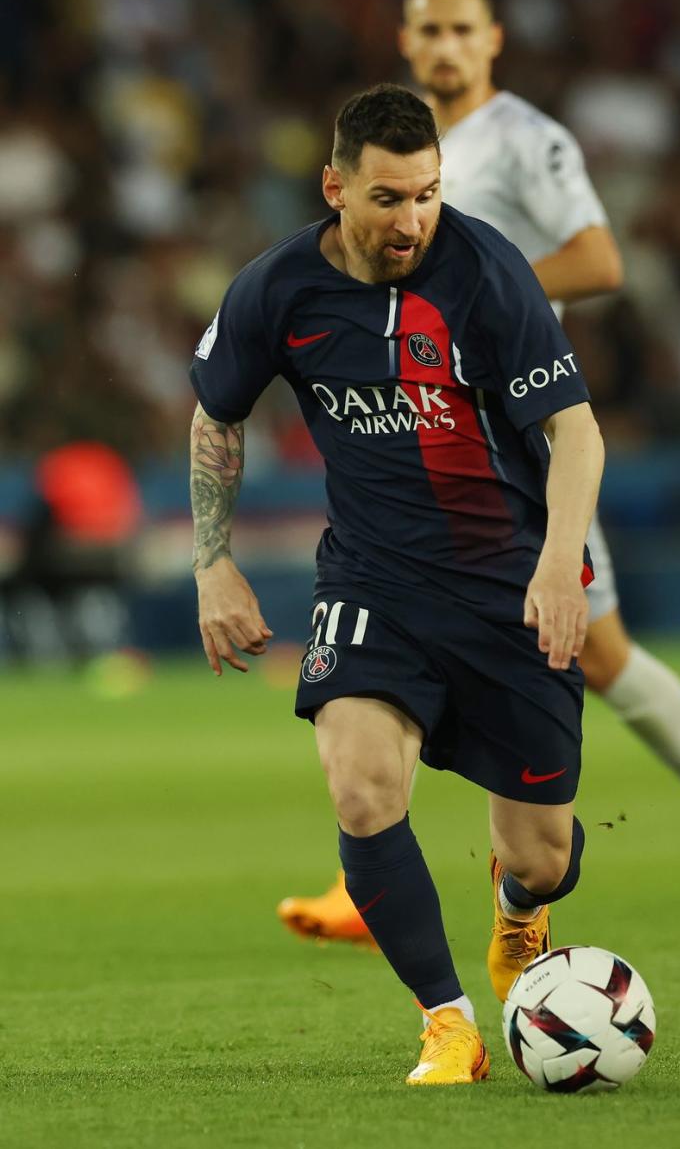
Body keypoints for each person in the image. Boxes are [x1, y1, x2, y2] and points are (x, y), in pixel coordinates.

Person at [279, 0, 680, 946]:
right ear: (407, 41)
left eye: (463, 29)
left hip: (523, 424)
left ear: (492, 38)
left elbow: (601, 259)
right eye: (429, 30)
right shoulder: (403, 150)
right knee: (401, 612)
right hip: (429, 423)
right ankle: (371, 858)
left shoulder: (529, 139)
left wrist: (476, 295)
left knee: (589, 643)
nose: (445, 47)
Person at [190, 84, 605, 1084]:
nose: (411, 218)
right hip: (373, 580)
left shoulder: (486, 273)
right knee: (363, 788)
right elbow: (218, 413)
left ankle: (519, 914)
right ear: (335, 187)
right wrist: (212, 562)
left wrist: (559, 563)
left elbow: (575, 430)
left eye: (425, 194)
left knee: (541, 852)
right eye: (387, 198)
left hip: (508, 583)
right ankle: (449, 1023)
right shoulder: (277, 290)